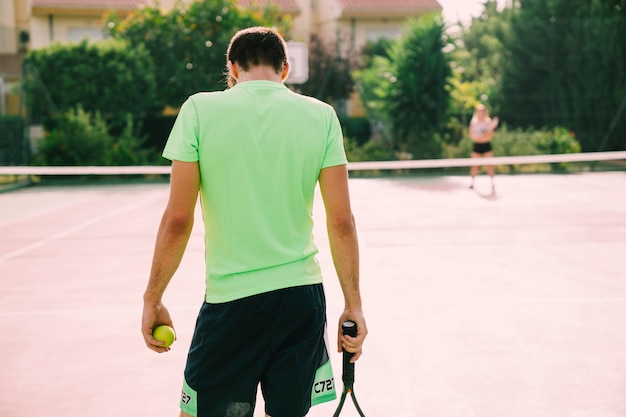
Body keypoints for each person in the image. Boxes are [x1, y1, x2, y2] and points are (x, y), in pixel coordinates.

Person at [141, 26, 366, 417]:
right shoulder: (322, 116)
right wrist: (354, 305)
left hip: (232, 305)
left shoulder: (198, 109)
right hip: (302, 301)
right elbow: (341, 221)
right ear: (285, 68)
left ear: (231, 68)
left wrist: (153, 298)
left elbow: (178, 220)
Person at [468, 104, 499, 192]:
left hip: (486, 145)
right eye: (478, 111)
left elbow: (489, 136)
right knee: (474, 165)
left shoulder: (488, 121)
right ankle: (472, 183)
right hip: (477, 145)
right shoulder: (473, 122)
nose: (480, 113)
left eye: (482, 111)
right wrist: (480, 136)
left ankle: (492, 183)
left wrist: (483, 136)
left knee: (489, 164)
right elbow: (472, 135)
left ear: (484, 112)